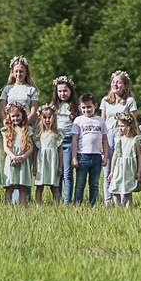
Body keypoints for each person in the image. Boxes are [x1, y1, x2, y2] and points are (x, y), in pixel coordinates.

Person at [100, 70, 138, 206]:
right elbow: (102, 121)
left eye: (119, 82)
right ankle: (108, 201)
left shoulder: (129, 101)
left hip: (123, 135)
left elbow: (133, 121)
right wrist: (101, 140)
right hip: (108, 136)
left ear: (125, 85)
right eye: (113, 82)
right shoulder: (105, 101)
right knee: (108, 171)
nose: (115, 84)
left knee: (121, 171)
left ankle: (123, 200)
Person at [72, 93, 108, 206]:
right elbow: (74, 140)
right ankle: (77, 204)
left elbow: (105, 139)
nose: (86, 110)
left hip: (96, 156)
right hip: (82, 155)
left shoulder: (100, 121)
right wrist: (74, 157)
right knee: (80, 183)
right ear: (79, 107)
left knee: (94, 184)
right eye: (83, 107)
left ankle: (93, 205)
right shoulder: (78, 120)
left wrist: (105, 155)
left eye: (89, 107)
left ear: (95, 106)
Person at [1, 102, 34, 206]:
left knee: (22, 186)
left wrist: (23, 157)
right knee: (9, 186)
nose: (15, 118)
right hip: (11, 159)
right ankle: (8, 207)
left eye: (18, 116)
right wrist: (14, 157)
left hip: (23, 160)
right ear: (9, 117)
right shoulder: (6, 130)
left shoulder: (28, 129)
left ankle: (23, 208)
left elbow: (31, 147)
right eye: (13, 116)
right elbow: (5, 147)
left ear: (23, 115)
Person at [51, 76, 78, 204]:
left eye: (65, 91)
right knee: (58, 173)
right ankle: (58, 198)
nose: (62, 93)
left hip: (68, 141)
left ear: (71, 91)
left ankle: (67, 201)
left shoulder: (74, 107)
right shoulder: (54, 107)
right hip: (56, 142)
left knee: (67, 173)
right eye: (60, 91)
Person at [108, 113, 141, 208]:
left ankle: (128, 208)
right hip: (119, 167)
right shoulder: (118, 139)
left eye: (122, 126)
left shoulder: (135, 140)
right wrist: (111, 171)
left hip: (130, 168)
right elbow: (115, 156)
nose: (120, 128)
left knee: (128, 190)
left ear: (130, 126)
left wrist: (139, 171)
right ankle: (118, 207)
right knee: (115, 188)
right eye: (118, 126)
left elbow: (139, 156)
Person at [33, 104, 64, 205]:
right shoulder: (39, 133)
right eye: (44, 118)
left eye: (49, 117)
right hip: (41, 162)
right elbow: (36, 150)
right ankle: (38, 205)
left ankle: (57, 205)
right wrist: (34, 166)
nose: (47, 120)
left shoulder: (57, 134)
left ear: (54, 118)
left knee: (54, 186)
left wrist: (60, 166)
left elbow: (60, 151)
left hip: (52, 162)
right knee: (39, 186)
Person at [0, 56, 39, 126]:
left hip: (26, 124)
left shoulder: (31, 89)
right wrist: (5, 122)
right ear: (12, 73)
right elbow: (1, 110)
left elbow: (33, 112)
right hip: (11, 124)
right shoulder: (7, 89)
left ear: (26, 73)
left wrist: (24, 124)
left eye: (21, 71)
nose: (18, 74)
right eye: (16, 71)